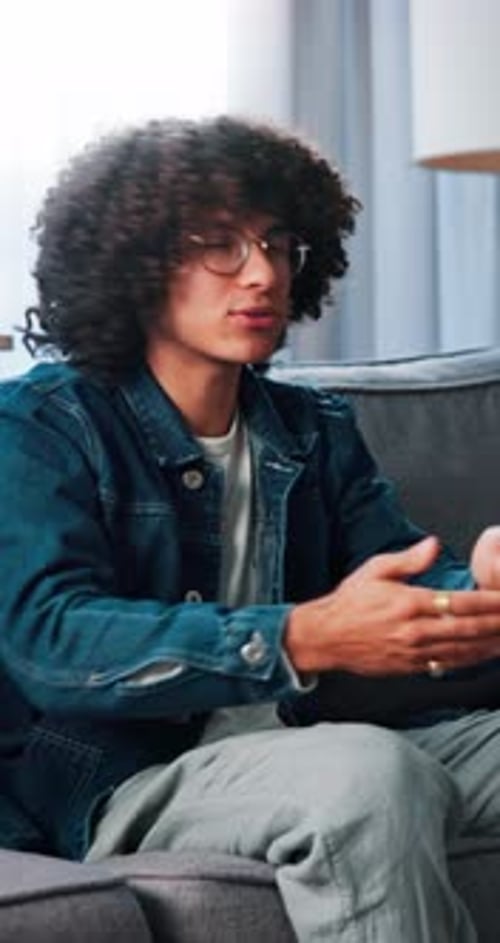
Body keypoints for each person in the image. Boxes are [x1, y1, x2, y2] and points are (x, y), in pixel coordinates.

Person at [2, 115, 500, 942]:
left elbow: (401, 579)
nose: (262, 273)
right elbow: (51, 641)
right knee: (366, 776)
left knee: (369, 761)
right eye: (219, 245)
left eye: (277, 244)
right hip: (130, 775)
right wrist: (300, 636)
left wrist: (476, 589)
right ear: (135, 261)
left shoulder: (313, 429)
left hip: (304, 741)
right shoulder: (42, 423)